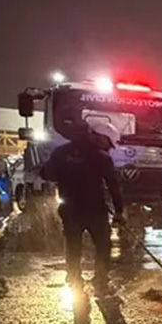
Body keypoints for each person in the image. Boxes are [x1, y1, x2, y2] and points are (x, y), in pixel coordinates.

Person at [42, 121, 125, 293]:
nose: (109, 148)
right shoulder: (101, 157)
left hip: (70, 209)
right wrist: (119, 211)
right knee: (103, 245)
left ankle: (73, 276)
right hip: (96, 209)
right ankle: (100, 279)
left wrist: (66, 174)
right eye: (108, 143)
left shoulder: (61, 152)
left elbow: (46, 173)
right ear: (99, 136)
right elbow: (113, 185)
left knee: (73, 244)